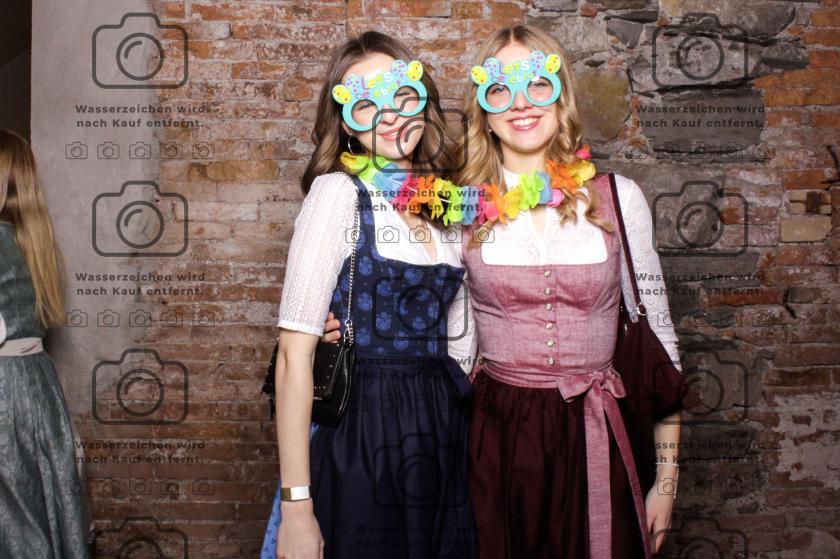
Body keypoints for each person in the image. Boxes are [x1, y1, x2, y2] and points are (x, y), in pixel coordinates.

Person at [455, 25, 684, 559]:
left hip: (597, 431)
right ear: (484, 110)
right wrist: (344, 330)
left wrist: (667, 482)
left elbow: (662, 347)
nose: (520, 103)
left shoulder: (619, 198)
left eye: (537, 83)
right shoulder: (461, 210)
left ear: (561, 95)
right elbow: (447, 342)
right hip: (496, 440)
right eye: (500, 89)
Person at [260, 31, 477, 559]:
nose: (389, 115)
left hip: (443, 431)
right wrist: (296, 507)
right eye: (366, 103)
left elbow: (464, 342)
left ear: (422, 100)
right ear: (346, 123)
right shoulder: (337, 194)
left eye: (401, 95)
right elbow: (293, 356)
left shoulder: (447, 207)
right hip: (361, 429)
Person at [0, 128, 91, 558]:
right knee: (39, 511)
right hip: (38, 389)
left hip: (4, 395)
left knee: (14, 526)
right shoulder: (36, 243)